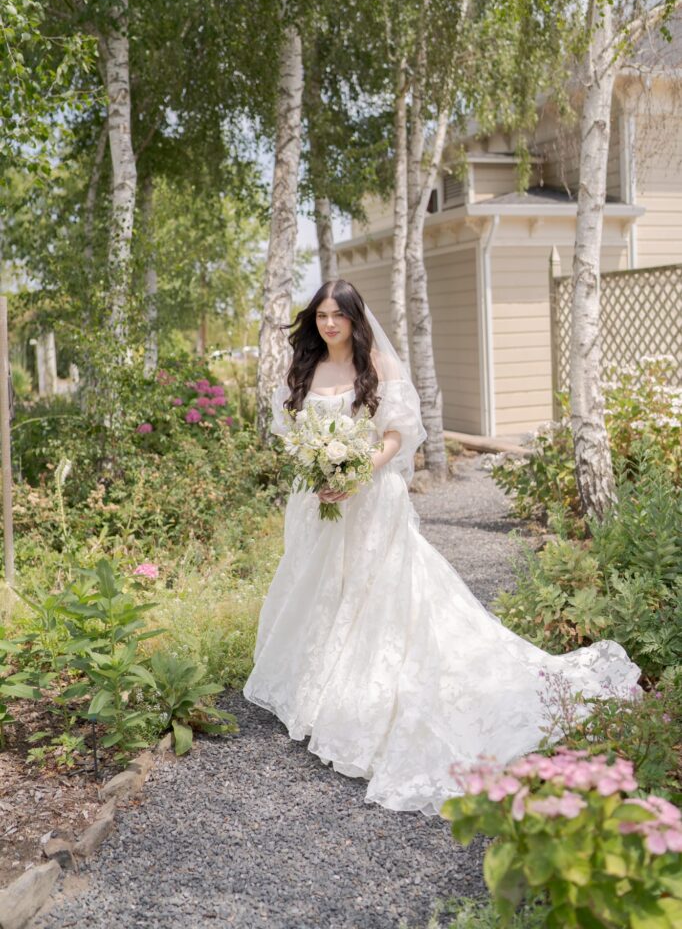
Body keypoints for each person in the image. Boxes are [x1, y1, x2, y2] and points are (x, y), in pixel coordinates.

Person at [242, 279, 640, 818]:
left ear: (356, 319)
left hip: (370, 496)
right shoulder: (305, 368)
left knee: (370, 590)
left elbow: (398, 434)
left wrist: (357, 471)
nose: (329, 324)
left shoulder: (377, 364)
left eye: (339, 315)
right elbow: (292, 432)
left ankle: (358, 696)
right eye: (321, 316)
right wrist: (315, 468)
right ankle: (317, 689)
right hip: (318, 500)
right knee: (319, 584)